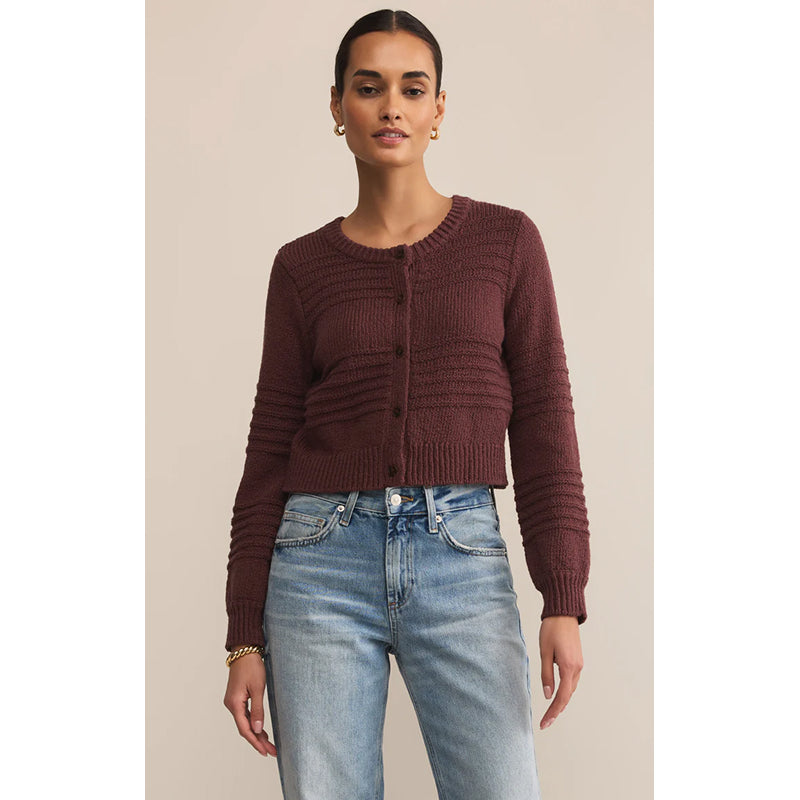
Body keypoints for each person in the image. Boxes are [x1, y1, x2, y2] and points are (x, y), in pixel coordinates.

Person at [222, 9, 590, 800]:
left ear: (438, 109)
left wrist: (563, 595)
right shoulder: (301, 269)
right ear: (337, 107)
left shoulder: (506, 243)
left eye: (412, 88)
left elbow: (544, 423)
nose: (391, 105)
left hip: (460, 552)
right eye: (369, 87)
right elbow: (269, 450)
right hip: (318, 563)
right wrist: (242, 635)